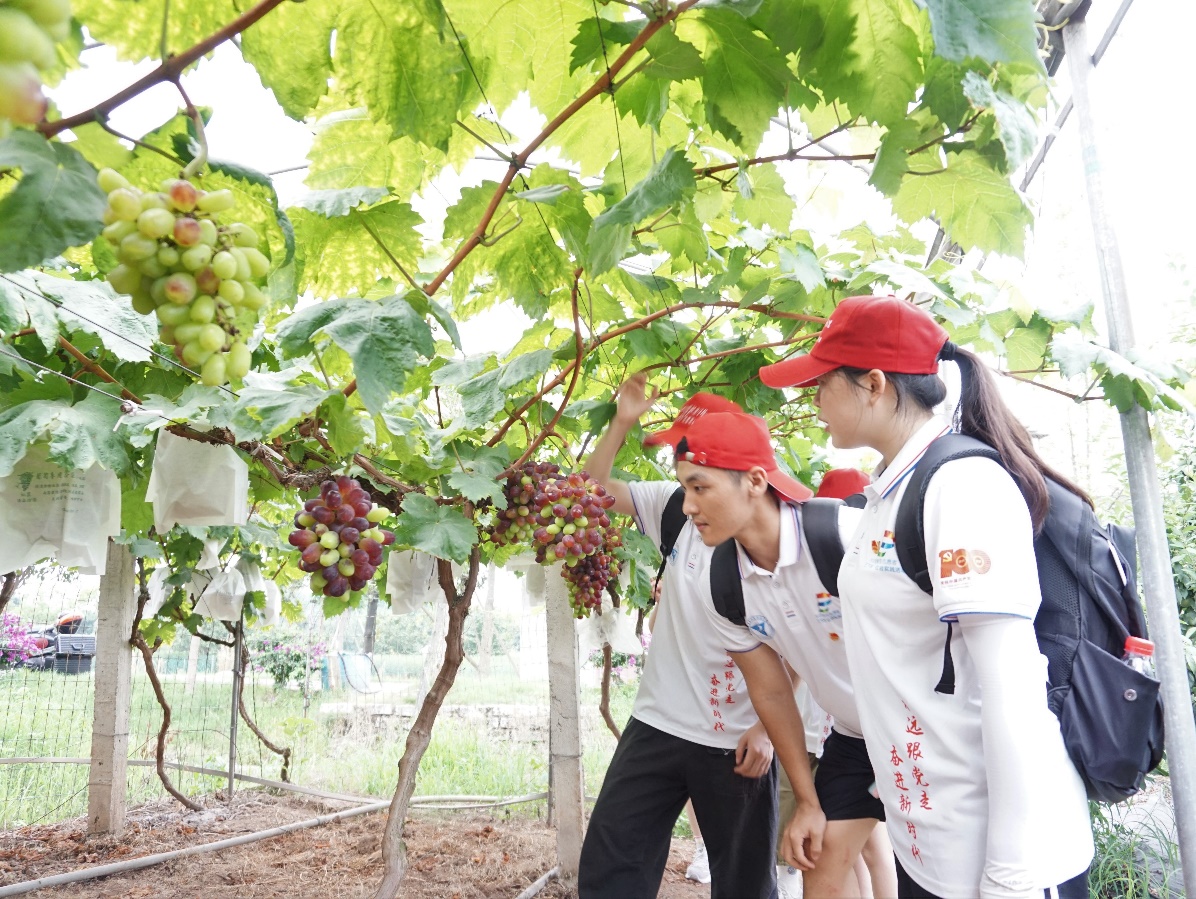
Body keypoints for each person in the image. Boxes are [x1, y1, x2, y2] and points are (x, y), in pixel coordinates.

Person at [759, 295, 1094, 899]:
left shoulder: (961, 485)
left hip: (1001, 854)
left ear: (874, 384)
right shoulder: (887, 493)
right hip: (933, 843)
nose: (813, 401)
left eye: (822, 384)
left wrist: (1012, 874)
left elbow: (1013, 687)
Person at [578, 381, 810, 899]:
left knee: (745, 884)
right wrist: (622, 422)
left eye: (697, 476)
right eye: (683, 472)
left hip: (736, 738)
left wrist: (765, 729)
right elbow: (588, 491)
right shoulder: (675, 509)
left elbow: (802, 646)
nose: (688, 496)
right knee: (611, 866)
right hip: (658, 722)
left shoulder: (780, 541)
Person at [673, 413, 887, 897]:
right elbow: (770, 692)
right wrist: (806, 800)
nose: (688, 506)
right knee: (821, 861)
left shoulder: (847, 536)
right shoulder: (721, 585)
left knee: (937, 869)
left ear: (754, 481)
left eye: (700, 487)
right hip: (855, 736)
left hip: (926, 727)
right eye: (684, 489)